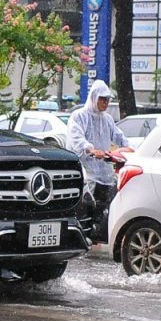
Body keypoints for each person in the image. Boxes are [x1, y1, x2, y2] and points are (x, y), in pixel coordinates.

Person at [67, 80, 130, 224]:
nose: (105, 102)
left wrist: (130, 149)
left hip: (104, 172)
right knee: (86, 207)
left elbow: (118, 136)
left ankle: (97, 232)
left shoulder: (107, 119)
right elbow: (76, 138)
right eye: (102, 99)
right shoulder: (79, 116)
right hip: (86, 171)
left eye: (107, 99)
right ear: (94, 97)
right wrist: (91, 150)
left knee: (104, 206)